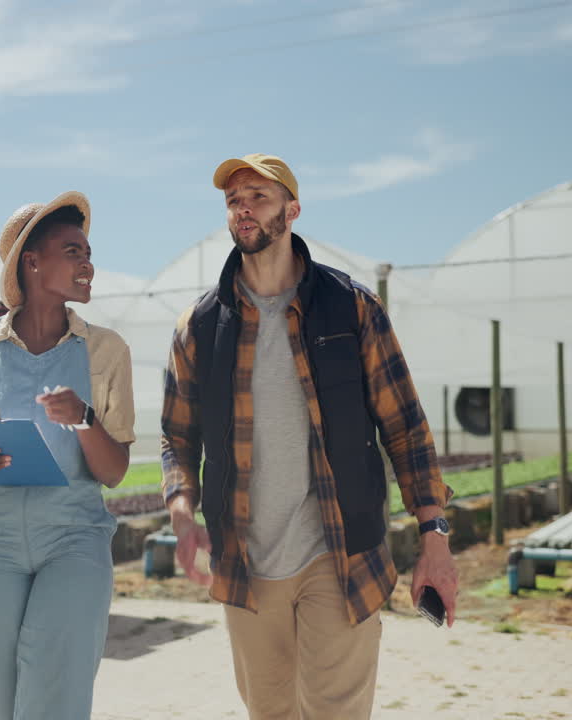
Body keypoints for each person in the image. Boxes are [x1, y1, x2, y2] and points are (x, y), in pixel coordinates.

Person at [161, 153, 458, 719]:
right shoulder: (199, 327)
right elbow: (176, 435)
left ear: (292, 210)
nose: (242, 207)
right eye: (233, 199)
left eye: (258, 196)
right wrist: (181, 512)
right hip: (245, 560)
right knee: (269, 712)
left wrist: (435, 539)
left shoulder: (351, 308)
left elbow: (406, 429)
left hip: (340, 554)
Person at [0, 191, 136, 720]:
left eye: (88, 251)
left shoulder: (105, 350)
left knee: (54, 688)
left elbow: (114, 473)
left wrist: (83, 418)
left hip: (74, 538)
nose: (87, 263)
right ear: (32, 260)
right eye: (73, 251)